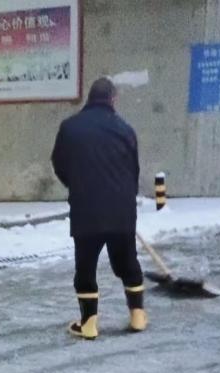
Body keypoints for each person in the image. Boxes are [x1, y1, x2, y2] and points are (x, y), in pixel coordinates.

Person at [50, 77, 148, 339]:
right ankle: (137, 315)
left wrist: (77, 186)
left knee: (86, 267)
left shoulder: (70, 128)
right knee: (127, 262)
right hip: (121, 210)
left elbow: (59, 163)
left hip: (86, 210)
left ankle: (89, 323)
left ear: (89, 98)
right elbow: (133, 170)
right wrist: (126, 200)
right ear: (113, 99)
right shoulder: (125, 129)